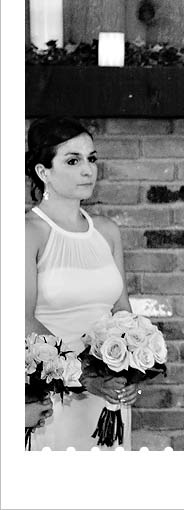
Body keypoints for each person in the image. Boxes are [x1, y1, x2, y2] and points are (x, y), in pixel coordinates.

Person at [26, 117, 139, 450]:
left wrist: (132, 373)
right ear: (43, 171)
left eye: (92, 158)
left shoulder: (106, 230)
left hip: (109, 396)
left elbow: (123, 313)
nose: (88, 170)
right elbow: (23, 320)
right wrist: (84, 376)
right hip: (52, 396)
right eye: (72, 160)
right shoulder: (29, 232)